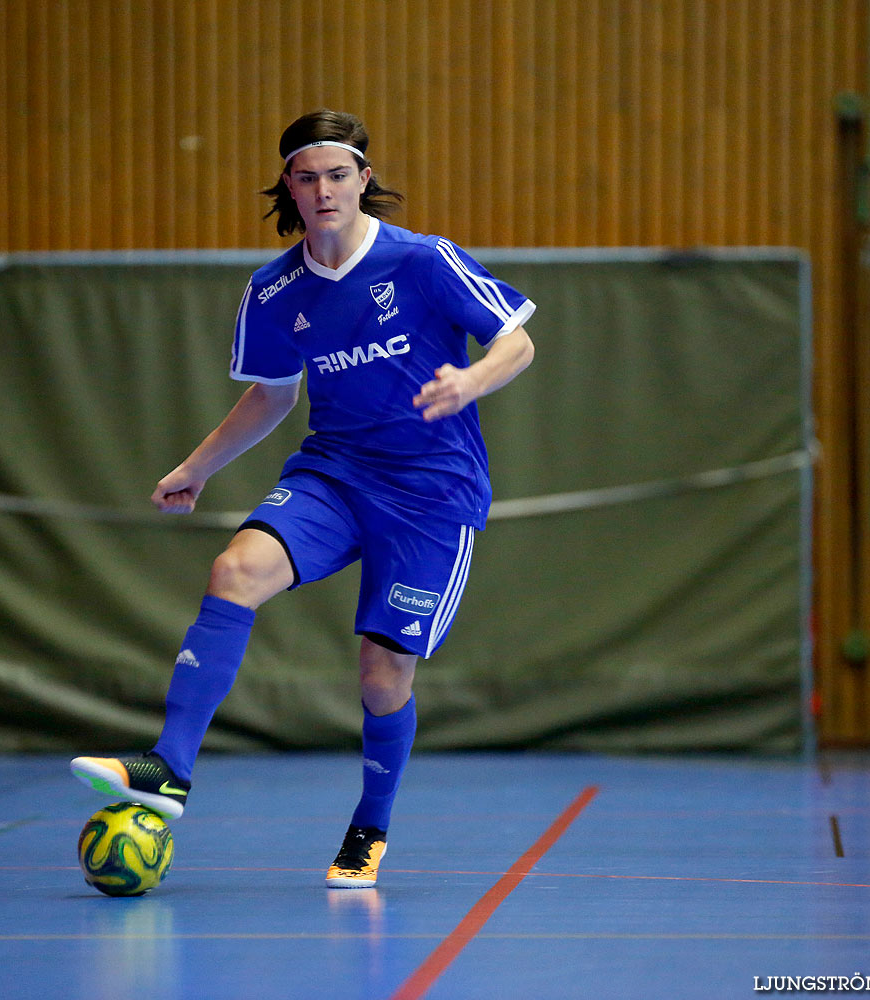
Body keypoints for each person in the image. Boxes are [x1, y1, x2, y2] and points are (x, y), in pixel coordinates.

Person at [72, 109, 535, 888]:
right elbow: (271, 397)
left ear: (364, 182)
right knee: (233, 572)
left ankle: (370, 826)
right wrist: (197, 466)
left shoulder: (423, 261)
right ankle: (168, 769)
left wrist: (471, 380)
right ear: (289, 185)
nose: (324, 191)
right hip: (335, 473)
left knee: (381, 675)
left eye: (339, 175)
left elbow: (516, 339)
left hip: (432, 493)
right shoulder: (274, 288)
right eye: (308, 176)